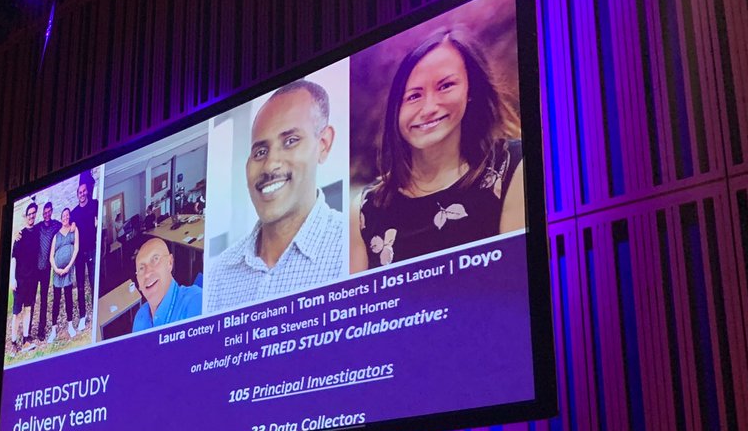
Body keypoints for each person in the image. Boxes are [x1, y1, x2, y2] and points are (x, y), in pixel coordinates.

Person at [350, 29, 525, 272]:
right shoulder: (365, 209)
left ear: (470, 90)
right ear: (395, 110)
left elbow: (518, 287)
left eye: (445, 86)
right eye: (413, 96)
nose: (429, 107)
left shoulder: (514, 167)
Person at [204, 79, 346, 314]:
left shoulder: (349, 246)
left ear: (323, 144)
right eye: (260, 151)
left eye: (290, 141)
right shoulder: (220, 272)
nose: (270, 165)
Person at [131, 237, 202, 332]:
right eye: (141, 268)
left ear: (170, 263)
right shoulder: (139, 319)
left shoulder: (196, 302)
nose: (147, 273)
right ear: (138, 284)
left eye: (155, 259)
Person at [9, 201, 40, 352]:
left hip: (32, 279)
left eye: (34, 213)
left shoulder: (37, 232)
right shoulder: (20, 235)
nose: (31, 216)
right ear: (25, 216)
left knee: (28, 309)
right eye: (29, 214)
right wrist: (12, 279)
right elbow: (14, 258)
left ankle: (26, 340)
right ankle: (14, 343)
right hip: (19, 280)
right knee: (16, 312)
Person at [71, 171, 99, 333]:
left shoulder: (94, 204)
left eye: (84, 191)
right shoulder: (74, 213)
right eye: (79, 192)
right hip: (80, 255)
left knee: (94, 282)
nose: (82, 194)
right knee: (81, 285)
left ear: (87, 191)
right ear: (77, 195)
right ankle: (83, 316)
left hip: (93, 250)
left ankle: (95, 311)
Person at [48, 206, 81, 341]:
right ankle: (54, 329)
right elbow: (51, 255)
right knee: (56, 300)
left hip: (68, 270)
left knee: (68, 297)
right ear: (61, 218)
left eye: (68, 215)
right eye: (64, 215)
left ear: (70, 217)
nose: (65, 217)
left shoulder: (74, 230)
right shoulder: (56, 235)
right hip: (57, 271)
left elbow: (76, 249)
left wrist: (68, 267)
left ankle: (70, 325)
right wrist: (56, 268)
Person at [34, 201, 57, 341]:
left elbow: (66, 226)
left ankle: (41, 330)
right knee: (31, 300)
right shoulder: (37, 227)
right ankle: (27, 332)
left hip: (46, 269)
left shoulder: (56, 225)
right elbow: (27, 232)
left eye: (49, 212)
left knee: (43, 299)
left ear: (51, 212)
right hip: (35, 268)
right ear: (42, 213)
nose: (47, 214)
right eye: (45, 212)